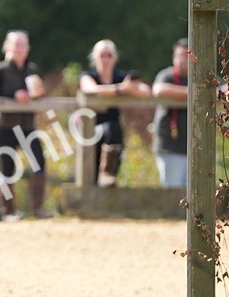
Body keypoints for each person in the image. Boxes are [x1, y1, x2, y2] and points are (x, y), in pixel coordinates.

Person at [0, 30, 49, 220]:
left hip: (28, 125)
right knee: (7, 168)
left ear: (28, 48)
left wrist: (37, 95)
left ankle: (37, 209)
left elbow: (38, 94)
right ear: (7, 47)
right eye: (16, 44)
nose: (20, 48)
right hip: (6, 126)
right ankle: (8, 212)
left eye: (23, 45)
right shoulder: (0, 70)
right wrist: (13, 96)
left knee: (39, 162)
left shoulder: (32, 70)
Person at [79, 39, 150, 186]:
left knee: (114, 129)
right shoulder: (88, 75)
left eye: (109, 55)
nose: (105, 59)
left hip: (113, 135)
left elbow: (146, 91)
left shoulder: (120, 77)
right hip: (90, 130)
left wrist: (131, 88)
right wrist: (121, 89)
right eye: (102, 55)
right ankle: (103, 175)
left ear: (115, 58)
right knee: (91, 174)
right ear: (95, 57)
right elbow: (90, 89)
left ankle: (108, 174)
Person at [151, 38, 189, 188]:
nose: (184, 59)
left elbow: (227, 89)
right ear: (174, 57)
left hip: (193, 147)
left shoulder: (199, 76)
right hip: (170, 145)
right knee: (173, 191)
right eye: (181, 55)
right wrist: (194, 93)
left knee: (192, 193)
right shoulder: (167, 76)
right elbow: (158, 90)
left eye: (187, 55)